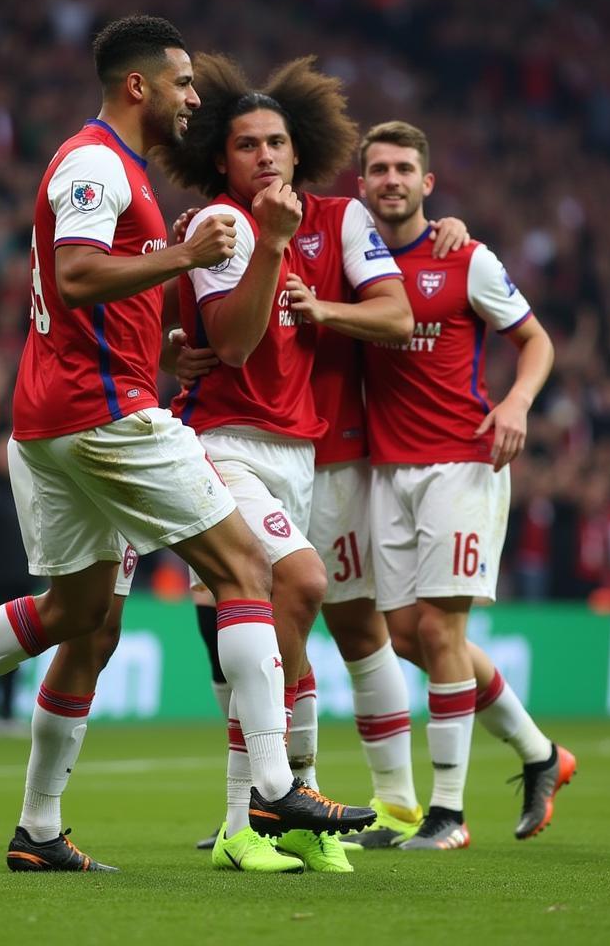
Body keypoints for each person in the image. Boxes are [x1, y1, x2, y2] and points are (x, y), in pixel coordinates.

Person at [0, 16, 372, 873]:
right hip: (102, 416)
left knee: (81, 618)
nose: (191, 96)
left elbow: (89, 297)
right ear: (137, 85)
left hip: (57, 418)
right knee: (248, 570)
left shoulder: (114, 167)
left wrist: (159, 346)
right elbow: (76, 274)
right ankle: (275, 787)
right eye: (180, 81)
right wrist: (182, 257)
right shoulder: (97, 162)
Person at [287, 120, 575, 850]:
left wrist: (515, 402)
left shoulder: (467, 257)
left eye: (404, 168)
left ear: (427, 182)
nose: (390, 179)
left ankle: (446, 814)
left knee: (442, 630)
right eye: (378, 168)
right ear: (361, 185)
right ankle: (540, 752)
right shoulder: (359, 266)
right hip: (385, 468)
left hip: (461, 461)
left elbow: (537, 340)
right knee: (410, 635)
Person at [155, 54, 408, 872]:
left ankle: (272, 809)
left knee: (280, 639)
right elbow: (230, 342)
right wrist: (266, 249)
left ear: (298, 153)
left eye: (275, 143)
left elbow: (394, 316)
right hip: (224, 445)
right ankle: (272, 800)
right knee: (300, 584)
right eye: (245, 146)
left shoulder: (312, 231)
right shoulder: (222, 228)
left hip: (296, 453)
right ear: (220, 161)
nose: (263, 156)